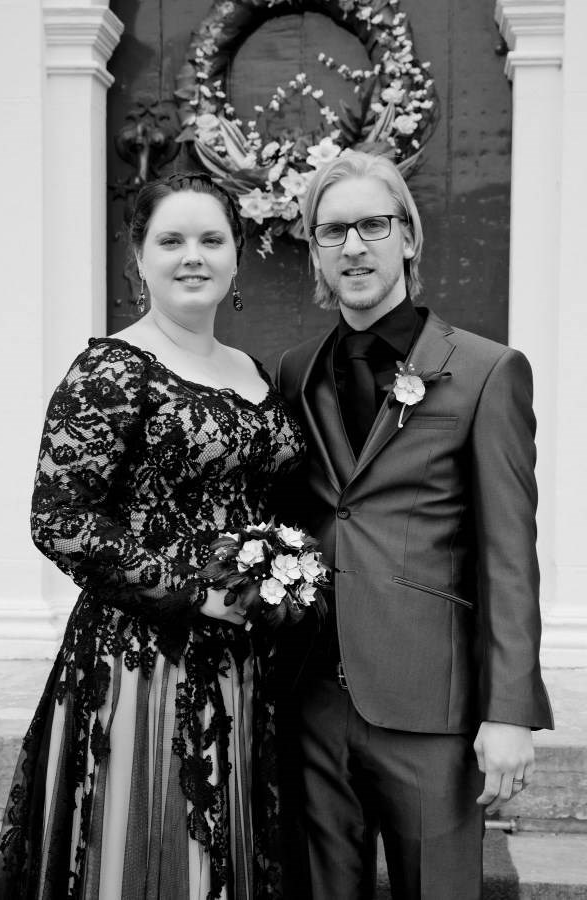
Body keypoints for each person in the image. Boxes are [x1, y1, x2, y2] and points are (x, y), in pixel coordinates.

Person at [0, 172, 304, 900]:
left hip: (244, 662)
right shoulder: (113, 367)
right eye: (171, 240)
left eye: (210, 239)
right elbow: (60, 519)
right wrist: (195, 594)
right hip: (142, 664)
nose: (192, 256)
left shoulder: (252, 370)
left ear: (236, 256)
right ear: (139, 258)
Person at [275, 151, 554, 900]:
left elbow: (508, 557)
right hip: (312, 704)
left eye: (373, 224)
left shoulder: (487, 371)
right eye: (333, 231)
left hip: (431, 710)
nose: (354, 246)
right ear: (315, 252)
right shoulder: (293, 374)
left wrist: (510, 712)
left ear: (408, 237)